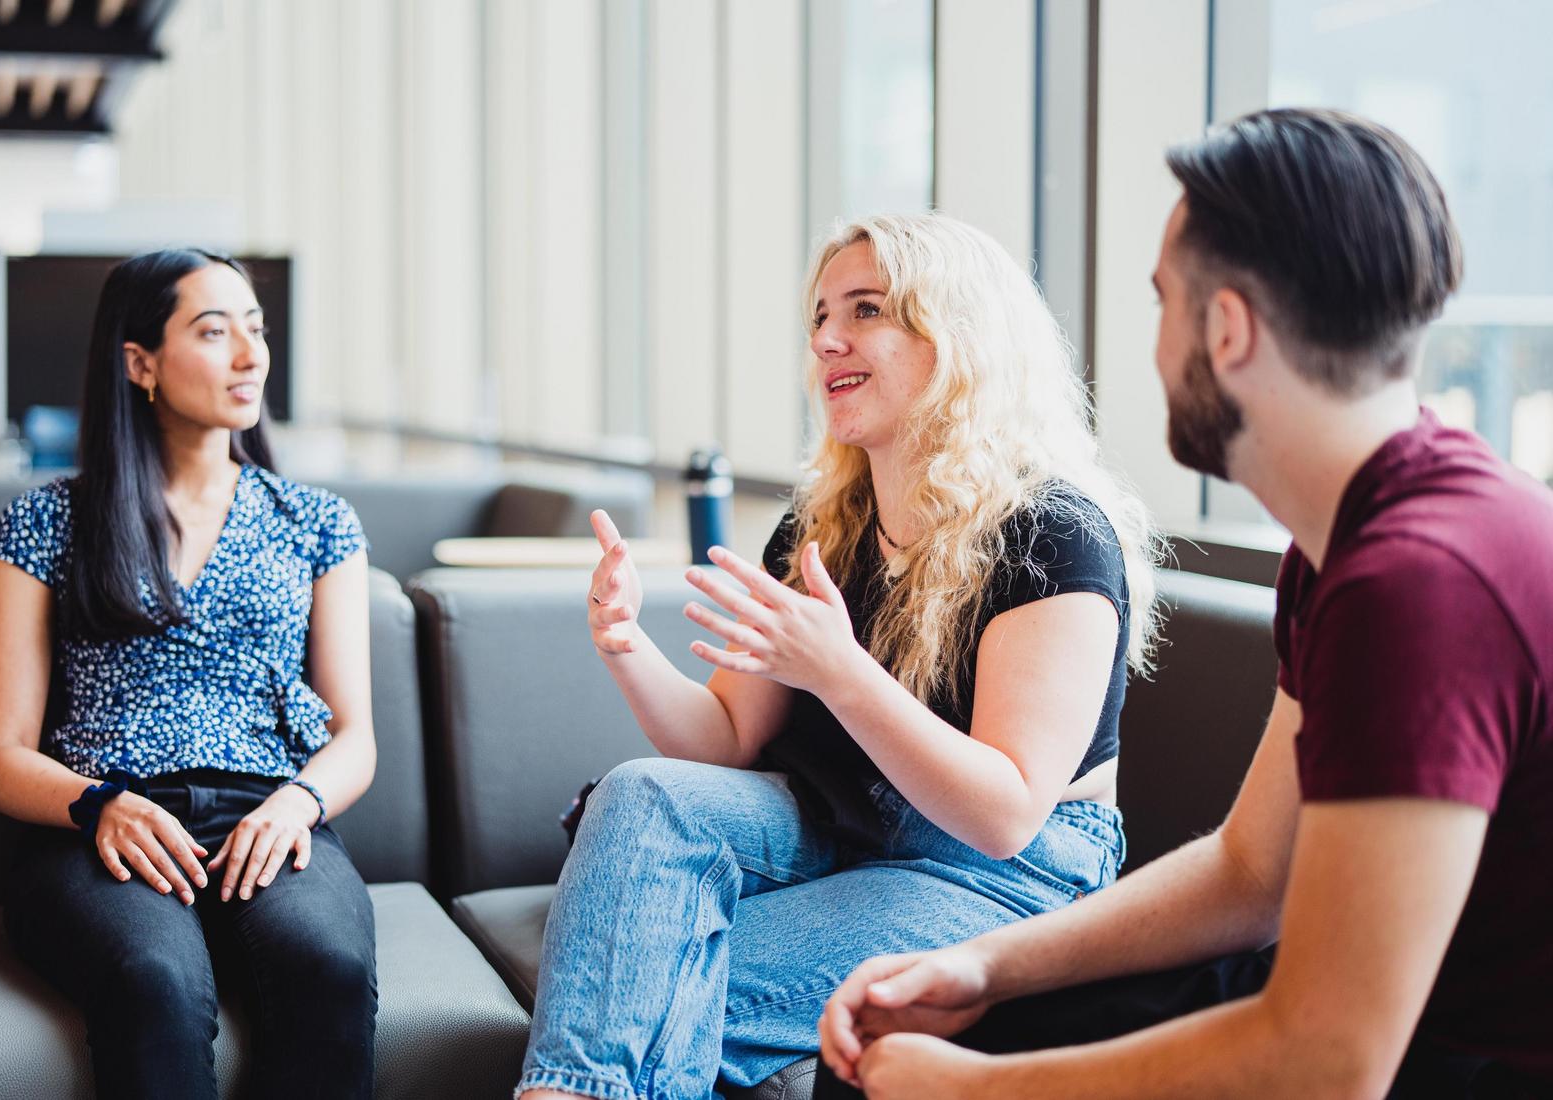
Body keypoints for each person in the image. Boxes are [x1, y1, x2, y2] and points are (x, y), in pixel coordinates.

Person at [817, 108, 1553, 1100]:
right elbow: (1253, 874)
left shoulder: (1418, 587)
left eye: (1163, 302)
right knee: (929, 1027)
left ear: (1228, 328)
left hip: (1472, 1061)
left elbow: (1331, 1059)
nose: (1154, 345)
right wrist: (986, 964)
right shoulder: (1343, 545)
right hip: (1399, 1022)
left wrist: (968, 1087)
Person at [517, 213, 1163, 1100]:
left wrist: (842, 671)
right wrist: (626, 647)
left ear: (957, 339)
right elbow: (728, 737)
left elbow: (1005, 812)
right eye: (821, 315)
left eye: (866, 310)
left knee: (631, 970)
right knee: (642, 795)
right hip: (840, 822)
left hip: (1008, 870)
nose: (826, 339)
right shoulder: (824, 521)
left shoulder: (1051, 534)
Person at [0, 249, 380, 1099]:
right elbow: (0, 756)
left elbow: (353, 736)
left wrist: (298, 803)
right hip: (100, 824)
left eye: (256, 329)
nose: (249, 353)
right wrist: (97, 805)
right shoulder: (47, 522)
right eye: (213, 330)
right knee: (154, 980)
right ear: (139, 363)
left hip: (270, 811)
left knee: (329, 965)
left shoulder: (315, 522)